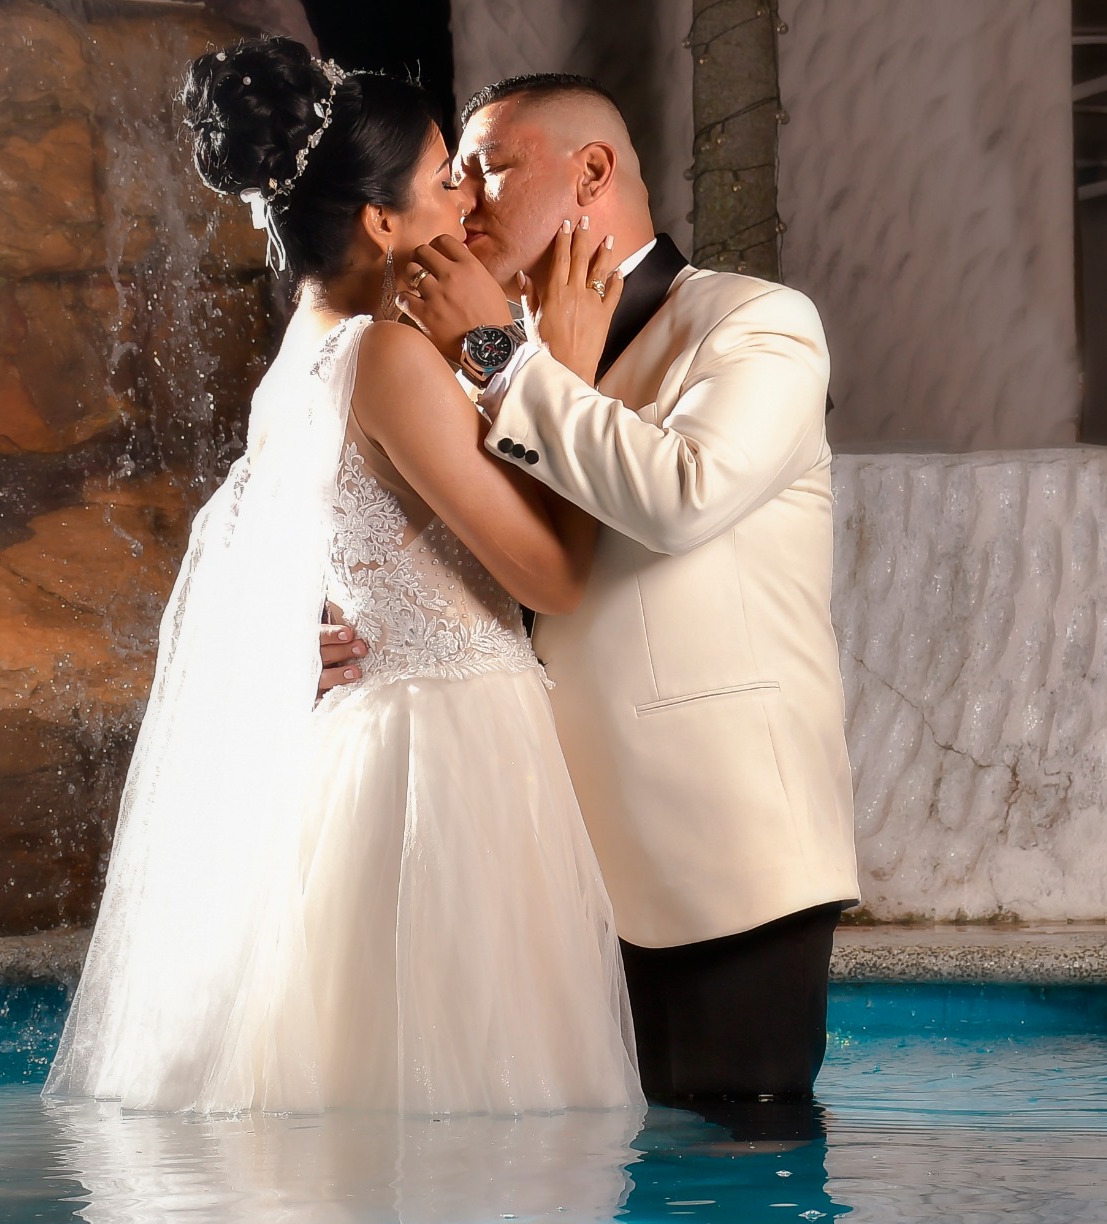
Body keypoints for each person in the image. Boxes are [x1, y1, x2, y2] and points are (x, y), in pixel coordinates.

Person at [48, 40, 641, 1116]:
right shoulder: (387, 356)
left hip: (359, 749)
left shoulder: (298, 356)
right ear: (381, 221)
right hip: (446, 751)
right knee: (470, 1100)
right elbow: (554, 576)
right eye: (445, 179)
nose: (467, 198)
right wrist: (561, 364)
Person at [349, 73, 860, 1108]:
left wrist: (497, 356)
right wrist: (351, 615)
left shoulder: (753, 322)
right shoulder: (482, 359)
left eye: (489, 169)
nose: (464, 200)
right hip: (542, 860)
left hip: (721, 850)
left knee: (744, 1168)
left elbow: (682, 494)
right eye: (453, 178)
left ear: (591, 172)